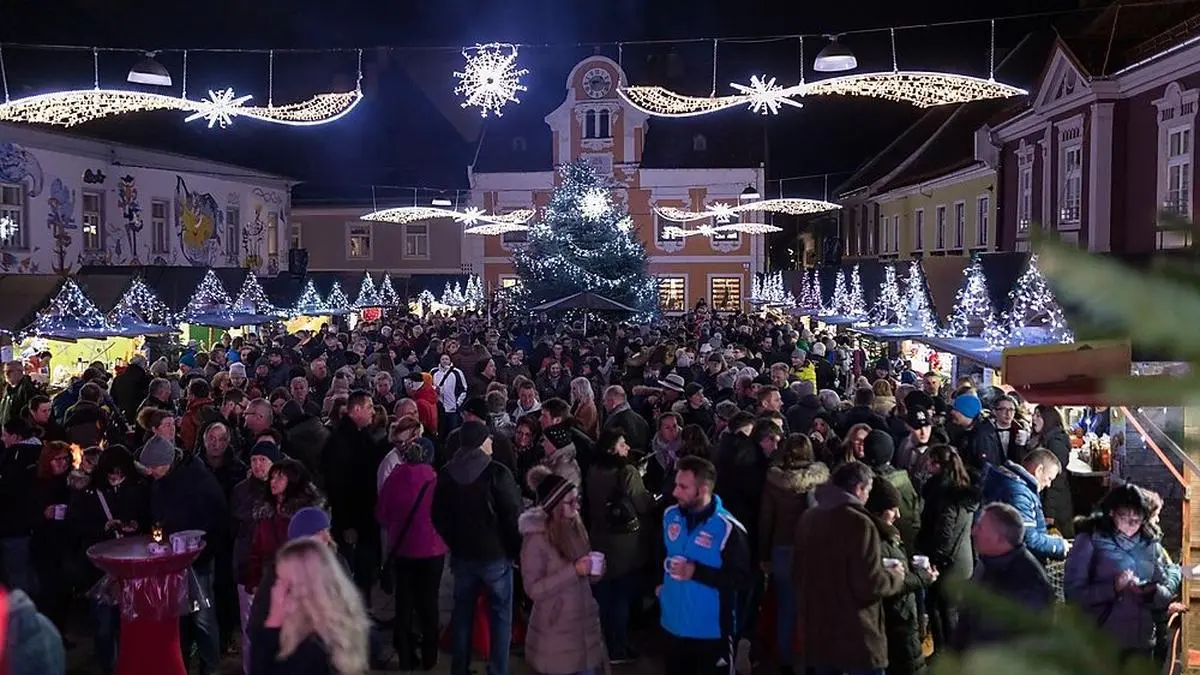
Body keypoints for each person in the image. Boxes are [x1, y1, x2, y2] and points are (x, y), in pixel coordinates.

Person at [430, 420, 522, 675]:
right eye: (488, 439)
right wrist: (514, 551)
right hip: (495, 557)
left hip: (462, 555)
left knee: (462, 613)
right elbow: (512, 516)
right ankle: (498, 669)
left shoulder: (448, 473)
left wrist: (453, 541)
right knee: (501, 615)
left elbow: (438, 515)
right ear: (481, 442)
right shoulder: (497, 473)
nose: (492, 443)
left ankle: (459, 668)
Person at [795, 461, 905, 675]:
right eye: (868, 491)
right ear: (859, 489)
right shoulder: (860, 523)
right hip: (855, 632)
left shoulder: (809, 517)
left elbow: (797, 573)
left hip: (819, 630)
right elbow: (869, 584)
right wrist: (895, 576)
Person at [141, 435, 229, 675]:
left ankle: (210, 667)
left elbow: (218, 518)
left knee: (203, 617)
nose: (150, 472)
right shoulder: (161, 480)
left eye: (154, 466)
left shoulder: (198, 480)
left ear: (167, 461)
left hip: (197, 561)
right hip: (171, 560)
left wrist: (202, 551)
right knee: (178, 619)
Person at [659, 455, 753, 675]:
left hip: (711, 633)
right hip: (672, 626)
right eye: (676, 485)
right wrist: (657, 585)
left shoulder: (728, 528)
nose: (675, 492)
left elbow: (742, 579)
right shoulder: (669, 516)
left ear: (702, 490)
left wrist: (697, 572)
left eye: (683, 487)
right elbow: (658, 553)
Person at [1064, 485, 1180, 662]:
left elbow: (1164, 589)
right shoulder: (1088, 542)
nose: (1131, 526)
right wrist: (1113, 588)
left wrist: (1153, 592)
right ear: (1111, 513)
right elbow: (1073, 595)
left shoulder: (1150, 544)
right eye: (1125, 518)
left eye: (1137, 519)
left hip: (1142, 644)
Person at [520, 466, 609, 675]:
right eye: (571, 501)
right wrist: (573, 571)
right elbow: (533, 589)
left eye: (577, 499)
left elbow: (587, 575)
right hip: (556, 631)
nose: (577, 506)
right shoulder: (536, 538)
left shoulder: (576, 526)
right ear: (555, 505)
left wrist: (596, 570)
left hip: (585, 624)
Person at [757, 434, 828, 675]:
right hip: (813, 551)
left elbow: (767, 519)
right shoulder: (820, 480)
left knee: (786, 606)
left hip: (782, 548)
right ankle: (811, 660)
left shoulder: (775, 481)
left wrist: (764, 554)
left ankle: (785, 660)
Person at [250, 537, 370, 675]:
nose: (274, 589)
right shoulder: (337, 632)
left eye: (285, 583)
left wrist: (271, 625)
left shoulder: (313, 650)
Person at [585, 428, 653, 664]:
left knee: (604, 592)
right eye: (622, 444)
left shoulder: (593, 469)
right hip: (625, 542)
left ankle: (603, 641)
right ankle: (619, 647)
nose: (627, 448)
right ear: (611, 448)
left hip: (599, 537)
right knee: (622, 595)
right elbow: (642, 504)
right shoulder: (627, 471)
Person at [377, 440, 446, 671]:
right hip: (433, 551)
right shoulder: (436, 481)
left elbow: (382, 514)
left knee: (403, 602)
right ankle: (430, 657)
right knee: (430, 602)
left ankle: (405, 658)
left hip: (403, 549)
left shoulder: (394, 479)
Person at [952, 502, 1054, 650]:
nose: (974, 531)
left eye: (980, 527)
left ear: (999, 538)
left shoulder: (1028, 583)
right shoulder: (986, 563)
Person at [864, 477, 935, 675]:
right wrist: (923, 577)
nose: (897, 514)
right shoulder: (877, 539)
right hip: (898, 619)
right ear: (878, 509)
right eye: (892, 509)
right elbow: (889, 583)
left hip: (899, 618)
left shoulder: (885, 532)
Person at [916, 445, 979, 653]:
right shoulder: (962, 489)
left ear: (938, 465)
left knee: (944, 610)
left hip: (948, 563)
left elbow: (944, 530)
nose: (926, 465)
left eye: (930, 462)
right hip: (962, 560)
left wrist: (936, 560)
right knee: (947, 610)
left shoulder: (944, 494)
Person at [980, 449, 1070, 562]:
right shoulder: (1019, 493)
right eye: (1049, 478)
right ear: (1039, 470)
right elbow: (1027, 537)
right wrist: (1059, 546)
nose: (1048, 485)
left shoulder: (1014, 484)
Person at [0, 418, 43, 594]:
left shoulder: (13, 458)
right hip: (35, 525)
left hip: (13, 525)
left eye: (5, 434)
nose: (2, 438)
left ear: (15, 437)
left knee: (16, 573)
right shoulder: (43, 452)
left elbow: (8, 492)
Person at [1029, 404, 1074, 537]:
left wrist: (1050, 512)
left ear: (1048, 419)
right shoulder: (1042, 439)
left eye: (1038, 416)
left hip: (1056, 506)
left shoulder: (1056, 442)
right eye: (1033, 415)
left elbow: (1057, 480)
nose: (1033, 419)